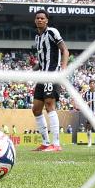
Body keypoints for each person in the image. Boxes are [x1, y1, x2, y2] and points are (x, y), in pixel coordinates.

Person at [32, 11, 68, 152]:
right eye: (38, 18)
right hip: (42, 75)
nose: (40, 20)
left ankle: (56, 144)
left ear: (47, 20)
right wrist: (32, 70)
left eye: (42, 18)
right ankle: (46, 143)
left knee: (49, 105)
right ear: (35, 20)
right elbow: (42, 61)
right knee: (36, 109)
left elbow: (65, 50)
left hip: (53, 74)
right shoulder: (37, 38)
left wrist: (63, 70)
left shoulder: (52, 32)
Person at [81, 80, 95, 146]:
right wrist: (87, 103)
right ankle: (89, 142)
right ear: (89, 85)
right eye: (91, 84)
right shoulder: (86, 93)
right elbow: (83, 103)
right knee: (89, 127)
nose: (92, 85)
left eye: (93, 83)